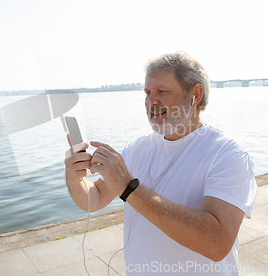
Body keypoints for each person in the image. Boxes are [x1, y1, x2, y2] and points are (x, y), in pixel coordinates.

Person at [64, 52, 257, 275]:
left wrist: (129, 188)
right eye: (147, 93)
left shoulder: (227, 153)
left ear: (195, 94)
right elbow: (93, 198)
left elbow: (217, 244)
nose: (150, 102)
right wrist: (74, 178)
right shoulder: (136, 149)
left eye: (161, 91)